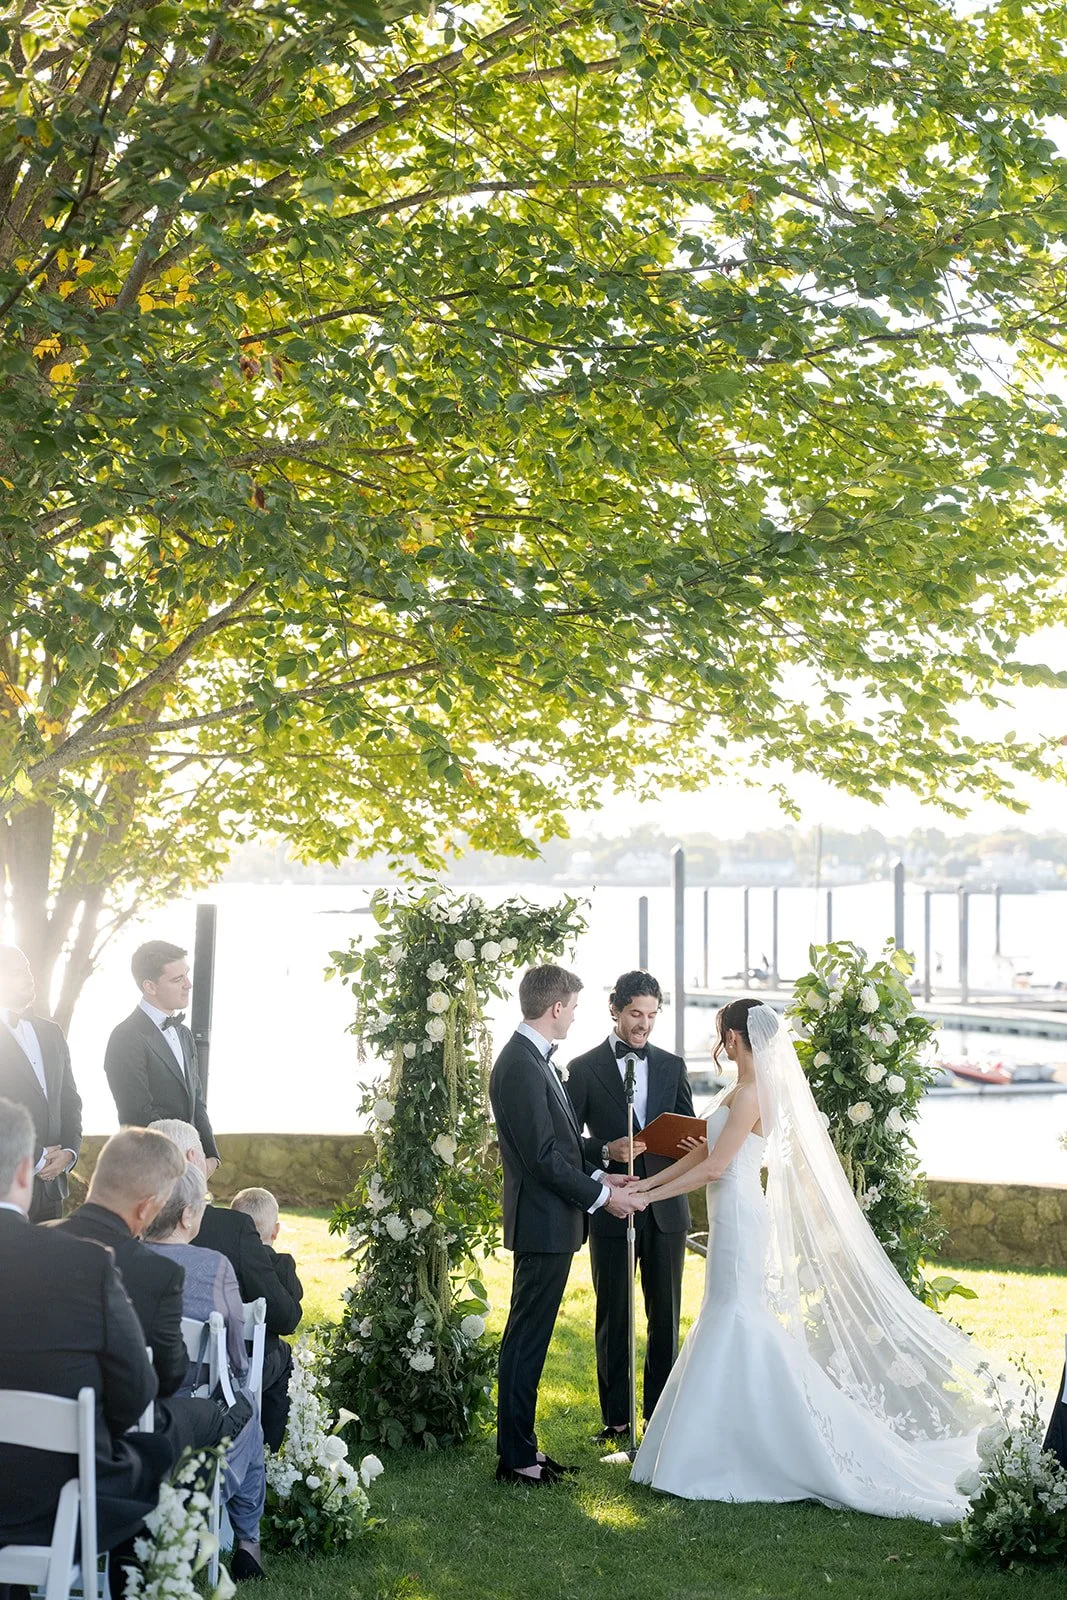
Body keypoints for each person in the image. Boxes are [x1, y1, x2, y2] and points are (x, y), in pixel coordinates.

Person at [628, 999, 1020, 1521]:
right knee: (730, 1315)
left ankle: (765, 1443)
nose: (721, 1042)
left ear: (736, 1038)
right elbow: (702, 1148)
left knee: (738, 1316)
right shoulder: (733, 1091)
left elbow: (718, 1167)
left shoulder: (754, 1093)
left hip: (741, 1214)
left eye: (723, 1033)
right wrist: (645, 1182)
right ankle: (723, 1440)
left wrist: (647, 1200)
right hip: (729, 1214)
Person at [489, 965, 645, 1486]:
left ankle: (523, 1448)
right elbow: (541, 1158)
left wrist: (601, 1162)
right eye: (574, 1007)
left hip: (549, 1223)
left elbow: (559, 1145)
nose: (575, 1016)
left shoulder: (534, 1060)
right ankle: (516, 1459)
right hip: (541, 1224)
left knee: (528, 1339)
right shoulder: (519, 1065)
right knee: (526, 1341)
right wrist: (603, 1197)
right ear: (556, 1008)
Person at [0, 1097, 171, 1564]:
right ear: (22, 1172)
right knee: (151, 1449)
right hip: (47, 1505)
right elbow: (136, 1392)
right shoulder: (85, 1262)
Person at [565, 969, 695, 1442]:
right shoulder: (582, 1068)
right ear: (615, 1010)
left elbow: (690, 1137)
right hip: (610, 1207)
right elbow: (565, 1142)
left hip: (665, 1211)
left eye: (652, 1015)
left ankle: (658, 1418)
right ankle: (617, 1420)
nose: (644, 1024)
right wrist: (606, 1150)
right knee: (614, 1314)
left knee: (665, 1315)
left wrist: (683, 1141)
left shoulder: (672, 1065)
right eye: (636, 1014)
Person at [145, 1162, 267, 1582]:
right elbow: (234, 1355)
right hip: (196, 1421)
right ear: (187, 1216)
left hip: (129, 1413)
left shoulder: (125, 1258)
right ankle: (247, 1541)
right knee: (248, 1411)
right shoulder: (214, 1266)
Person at [150, 1120, 302, 1449]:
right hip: (217, 1387)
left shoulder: (129, 1227)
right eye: (206, 1157)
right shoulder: (233, 1228)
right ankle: (267, 1462)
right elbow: (285, 1317)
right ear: (192, 1156)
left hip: (143, 1384)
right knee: (280, 1351)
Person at [103, 941, 219, 1170]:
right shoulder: (126, 1036)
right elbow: (137, 1112)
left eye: (186, 975)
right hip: (152, 1168)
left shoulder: (184, 1034)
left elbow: (197, 1103)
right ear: (150, 986)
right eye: (177, 980)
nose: (189, 984)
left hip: (191, 1167)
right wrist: (181, 1163)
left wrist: (211, 1158)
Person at [0, 945, 82, 1221]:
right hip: (6, 1182)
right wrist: (35, 1156)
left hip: (51, 1188)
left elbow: (70, 1101)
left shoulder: (52, 1032)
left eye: (28, 969)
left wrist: (69, 1153)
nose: (29, 976)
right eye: (17, 971)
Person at [230, 1187, 303, 1449]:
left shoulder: (224, 1261)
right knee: (284, 1356)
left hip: (223, 1357)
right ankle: (269, 1447)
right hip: (259, 1364)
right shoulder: (281, 1264)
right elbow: (289, 1318)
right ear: (275, 1231)